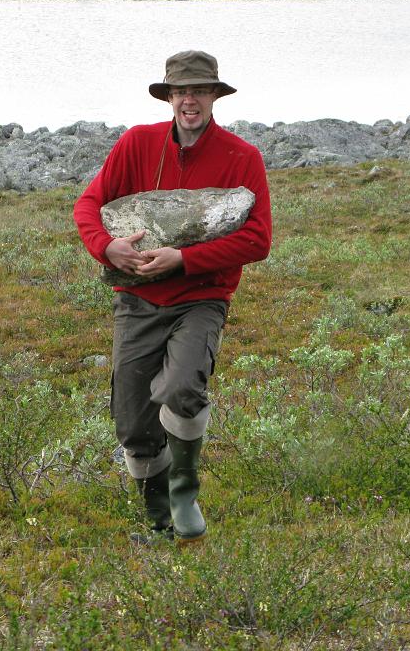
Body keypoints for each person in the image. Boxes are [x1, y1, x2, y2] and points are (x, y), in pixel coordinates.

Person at [73, 50, 272, 543]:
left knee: (181, 390)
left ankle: (184, 491)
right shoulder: (136, 144)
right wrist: (108, 248)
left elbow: (257, 240)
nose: (190, 100)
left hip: (201, 299)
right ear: (168, 97)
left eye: (201, 91)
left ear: (214, 97)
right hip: (137, 301)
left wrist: (184, 260)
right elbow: (89, 205)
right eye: (181, 91)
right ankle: (159, 521)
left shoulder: (242, 156)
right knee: (133, 425)